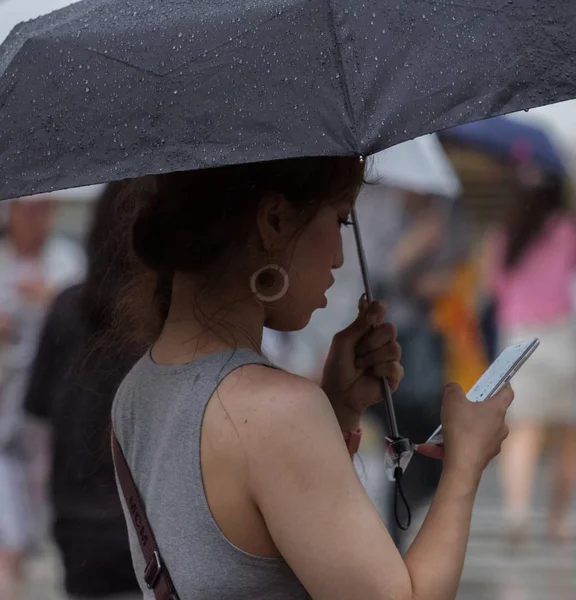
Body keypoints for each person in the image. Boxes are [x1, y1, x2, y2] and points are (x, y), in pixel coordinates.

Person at [112, 157, 513, 600]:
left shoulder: (137, 388)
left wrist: (337, 409)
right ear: (274, 222)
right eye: (341, 220)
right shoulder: (275, 411)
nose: (341, 258)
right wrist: (465, 462)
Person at [23, 183, 142, 600]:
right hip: (150, 535)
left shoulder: (66, 307)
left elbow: (36, 417)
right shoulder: (169, 321)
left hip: (78, 531)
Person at [480, 168, 576, 542]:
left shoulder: (503, 234)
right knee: (569, 432)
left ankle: (516, 514)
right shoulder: (567, 231)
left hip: (517, 341)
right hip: (560, 337)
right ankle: (557, 520)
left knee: (524, 430)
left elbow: (492, 289)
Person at [0, 198, 85, 596]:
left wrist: (49, 299)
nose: (38, 220)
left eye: (45, 210)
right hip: (6, 391)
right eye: (30, 210)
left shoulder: (66, 259)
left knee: (44, 477)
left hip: (53, 395)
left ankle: (37, 549)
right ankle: (13, 551)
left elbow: (83, 316)